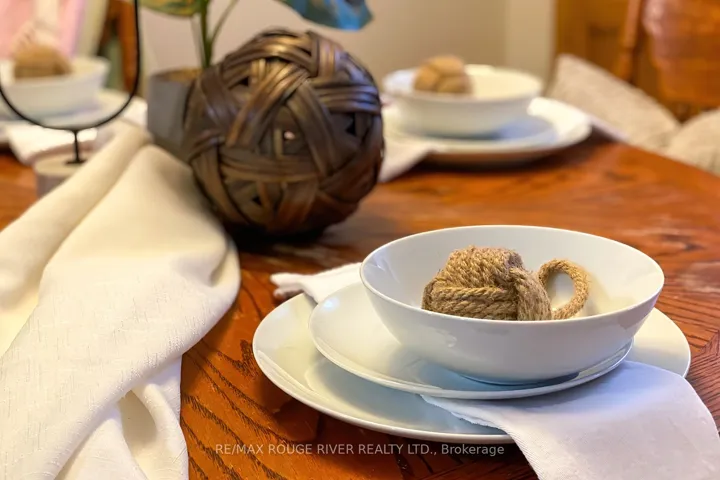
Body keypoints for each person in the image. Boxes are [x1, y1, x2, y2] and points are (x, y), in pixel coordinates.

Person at [0, 0, 86, 59]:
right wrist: (10, 51)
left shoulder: (74, 4)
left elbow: (67, 57)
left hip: (54, 71)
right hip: (15, 68)